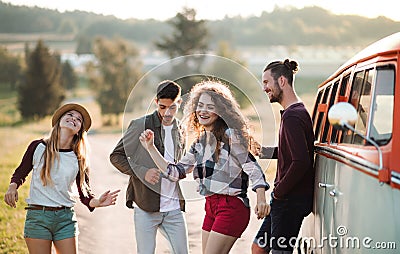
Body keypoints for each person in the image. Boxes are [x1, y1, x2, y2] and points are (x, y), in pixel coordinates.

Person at [139, 80, 270, 254]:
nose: (203, 111)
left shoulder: (230, 136)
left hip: (231, 206)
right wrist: (151, 148)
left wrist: (261, 197)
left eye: (210, 106)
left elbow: (252, 167)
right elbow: (175, 172)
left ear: (221, 110)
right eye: (200, 106)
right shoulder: (200, 143)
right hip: (210, 207)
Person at [4, 103, 120, 254]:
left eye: (78, 119)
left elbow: (84, 194)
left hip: (65, 219)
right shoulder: (38, 147)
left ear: (79, 131)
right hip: (38, 216)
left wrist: (97, 202)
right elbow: (21, 172)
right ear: (59, 120)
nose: (73, 119)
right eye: (69, 115)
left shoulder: (79, 159)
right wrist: (12, 187)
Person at [110, 80, 188, 254]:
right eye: (162, 107)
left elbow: (178, 164)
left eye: (173, 107)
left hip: (173, 207)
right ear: (156, 102)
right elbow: (116, 156)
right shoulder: (140, 125)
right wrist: (142, 172)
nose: (167, 113)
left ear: (180, 103)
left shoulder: (181, 129)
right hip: (146, 206)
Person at [251, 59, 315, 254]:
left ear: (282, 81)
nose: (264, 88)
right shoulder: (295, 112)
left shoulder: (292, 117)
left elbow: (301, 161)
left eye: (266, 83)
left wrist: (278, 192)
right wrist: (260, 150)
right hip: (285, 200)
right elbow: (289, 152)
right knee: (258, 248)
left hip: (289, 202)